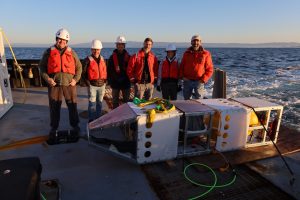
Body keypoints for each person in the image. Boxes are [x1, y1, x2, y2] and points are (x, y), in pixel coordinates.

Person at [39, 28, 82, 136]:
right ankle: (54, 127)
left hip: (69, 85)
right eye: (59, 39)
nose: (61, 42)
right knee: (54, 107)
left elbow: (79, 67)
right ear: (56, 39)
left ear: (67, 42)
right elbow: (42, 67)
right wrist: (47, 79)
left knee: (72, 106)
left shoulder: (72, 53)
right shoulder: (49, 52)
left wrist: (75, 80)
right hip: (54, 85)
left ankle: (75, 125)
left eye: (64, 40)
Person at [179, 35, 214, 100]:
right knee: (186, 99)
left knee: (199, 100)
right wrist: (182, 77)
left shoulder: (206, 54)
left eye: (197, 41)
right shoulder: (186, 53)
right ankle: (188, 110)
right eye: (193, 41)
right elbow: (181, 66)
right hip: (187, 81)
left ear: (200, 42)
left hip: (199, 81)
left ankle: (198, 110)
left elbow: (210, 69)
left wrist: (203, 80)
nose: (195, 43)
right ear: (191, 42)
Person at [82, 39, 107, 122]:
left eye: (98, 49)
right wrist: (88, 84)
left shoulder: (103, 59)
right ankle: (91, 120)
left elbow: (105, 71)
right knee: (92, 104)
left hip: (102, 85)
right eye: (94, 49)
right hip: (92, 85)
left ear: (100, 50)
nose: (96, 51)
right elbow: (83, 74)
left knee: (99, 103)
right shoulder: (87, 60)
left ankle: (98, 118)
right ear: (91, 49)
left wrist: (105, 82)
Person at [107, 36, 131, 109]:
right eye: (119, 44)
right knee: (115, 101)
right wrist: (113, 79)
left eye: (122, 44)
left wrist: (125, 78)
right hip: (115, 82)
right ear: (116, 45)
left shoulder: (129, 57)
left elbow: (130, 69)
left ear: (124, 45)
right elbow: (109, 70)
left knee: (126, 101)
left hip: (126, 82)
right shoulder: (112, 57)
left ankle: (126, 115)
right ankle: (115, 116)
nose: (120, 46)